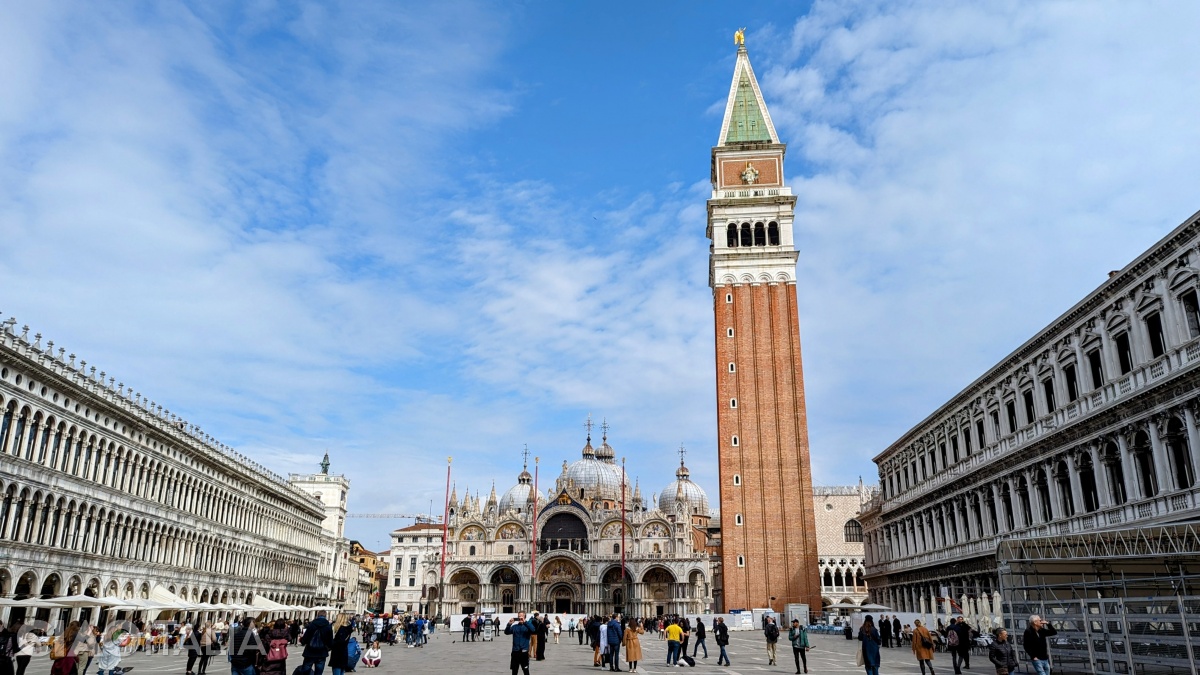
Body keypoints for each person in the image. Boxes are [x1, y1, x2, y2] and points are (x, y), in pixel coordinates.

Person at [300, 611, 335, 675]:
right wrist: (328, 648)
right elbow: (330, 641)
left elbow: (305, 637)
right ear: (325, 616)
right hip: (322, 652)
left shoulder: (311, 624)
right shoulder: (328, 626)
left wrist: (302, 641)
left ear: (317, 615)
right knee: (319, 672)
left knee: (305, 670)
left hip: (310, 651)